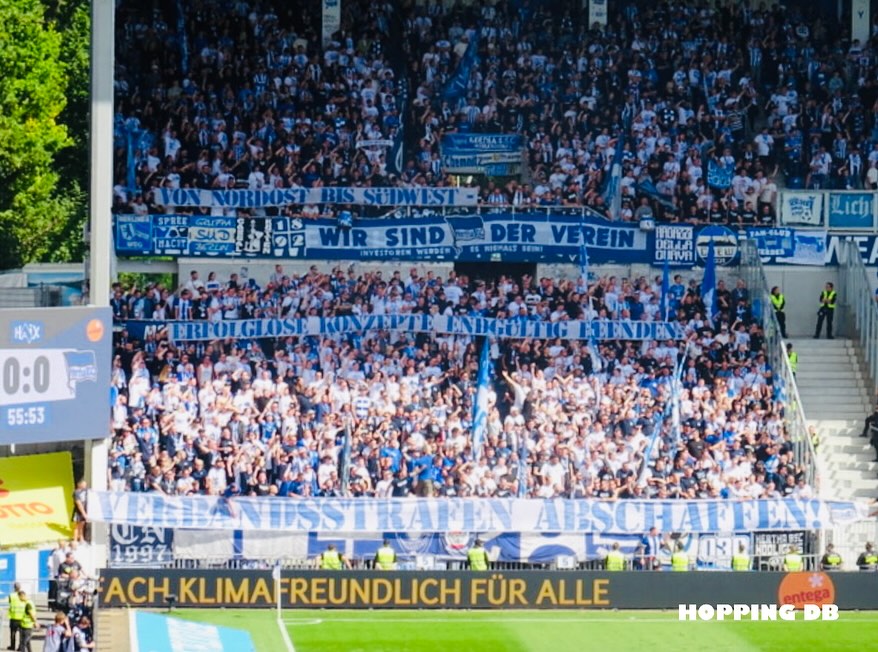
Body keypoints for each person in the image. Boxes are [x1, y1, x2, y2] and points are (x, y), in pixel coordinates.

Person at [7, 582, 23, 652]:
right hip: (21, 617)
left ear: (14, 587)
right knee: (21, 634)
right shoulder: (22, 595)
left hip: (13, 616)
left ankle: (12, 646)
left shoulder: (11, 595)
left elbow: (9, 602)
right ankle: (20, 647)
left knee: (13, 633)